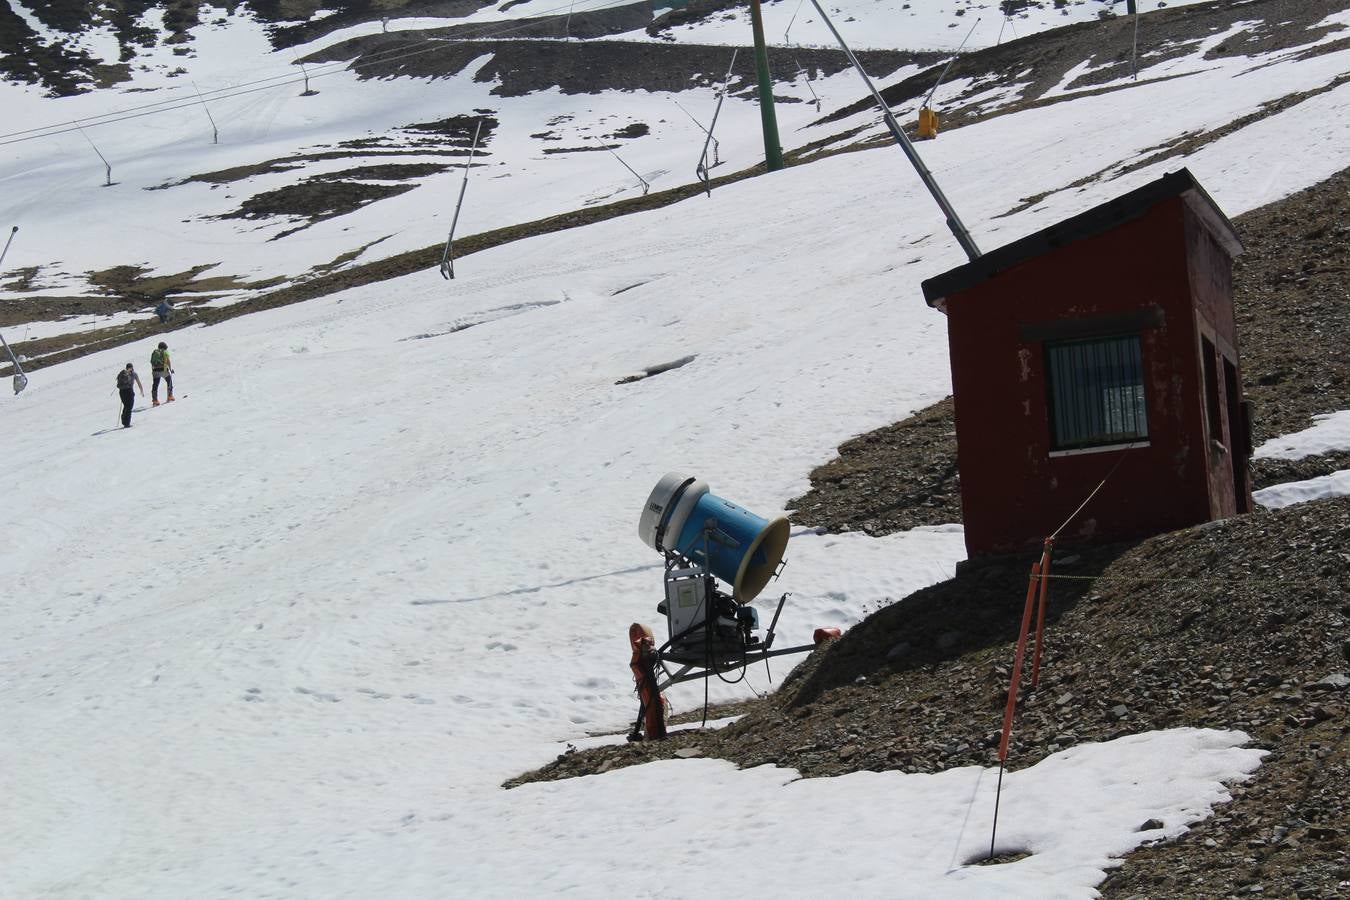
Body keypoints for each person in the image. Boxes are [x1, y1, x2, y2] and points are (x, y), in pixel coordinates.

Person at [116, 362, 144, 428]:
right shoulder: (134, 374)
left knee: (126, 405)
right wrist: (141, 390)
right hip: (129, 391)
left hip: (121, 391)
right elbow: (138, 382)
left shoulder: (122, 374)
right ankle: (127, 423)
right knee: (129, 406)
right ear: (132, 367)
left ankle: (124, 420)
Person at [150, 341, 175, 406]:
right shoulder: (165, 352)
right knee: (169, 381)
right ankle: (170, 396)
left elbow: (152, 362)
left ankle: (155, 400)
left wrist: (153, 371)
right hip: (163, 370)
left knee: (155, 384)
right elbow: (168, 361)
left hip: (155, 370)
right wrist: (170, 369)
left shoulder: (155, 352)